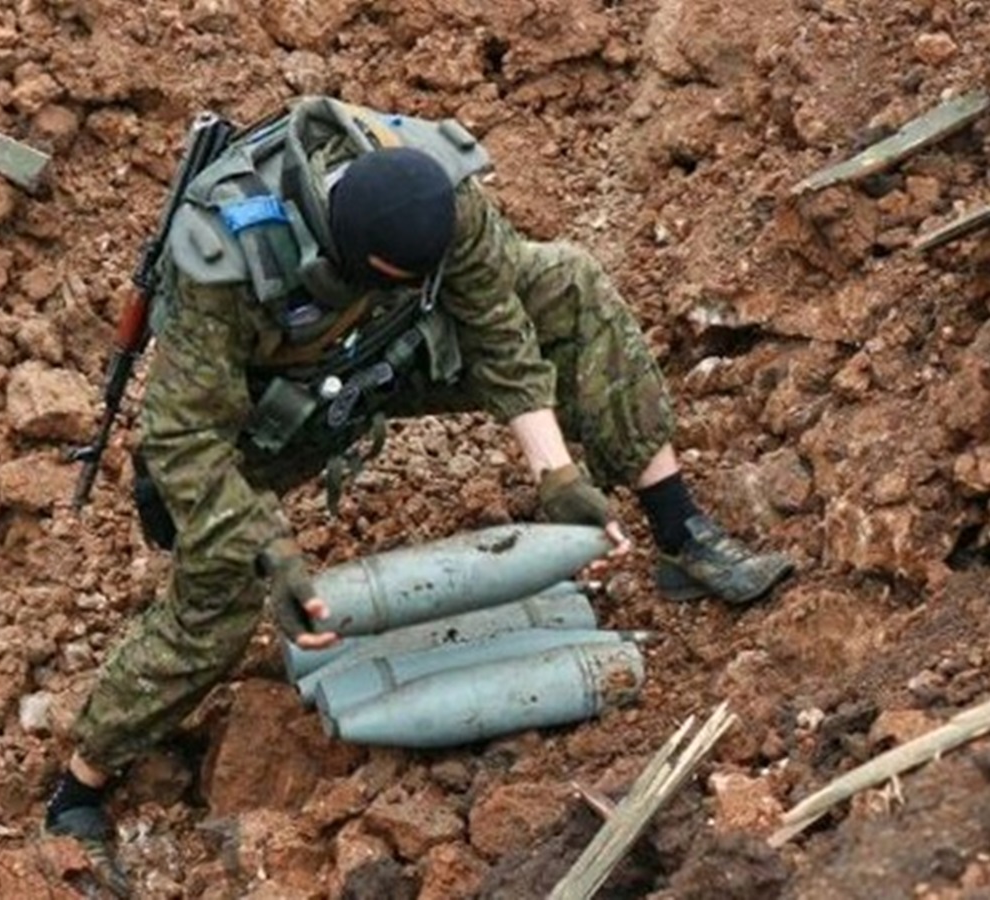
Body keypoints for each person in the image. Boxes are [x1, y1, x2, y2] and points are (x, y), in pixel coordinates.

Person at [43, 96, 793, 894]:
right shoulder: (226, 263)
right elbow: (185, 437)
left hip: (396, 353)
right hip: (270, 421)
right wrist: (270, 550)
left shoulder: (442, 196)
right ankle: (79, 790)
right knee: (219, 597)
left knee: (569, 283)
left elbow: (496, 322)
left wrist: (557, 472)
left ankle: (681, 532)